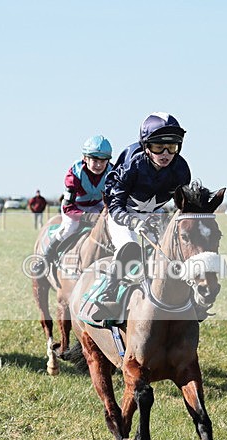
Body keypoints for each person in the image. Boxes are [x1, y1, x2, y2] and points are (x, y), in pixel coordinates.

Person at [92, 113, 191, 318]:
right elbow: (115, 204)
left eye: (172, 147)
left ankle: (189, 298)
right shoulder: (132, 163)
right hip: (122, 214)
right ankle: (107, 294)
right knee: (131, 248)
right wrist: (132, 221)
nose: (165, 153)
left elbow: (183, 205)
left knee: (170, 254)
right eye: (158, 147)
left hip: (154, 215)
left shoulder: (181, 169)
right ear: (146, 146)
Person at [36, 135, 113, 272]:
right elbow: (67, 207)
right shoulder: (74, 174)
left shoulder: (112, 173)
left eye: (103, 161)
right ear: (85, 158)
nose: (99, 165)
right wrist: (85, 216)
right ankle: (45, 259)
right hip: (74, 207)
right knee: (70, 228)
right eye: (95, 160)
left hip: (97, 205)